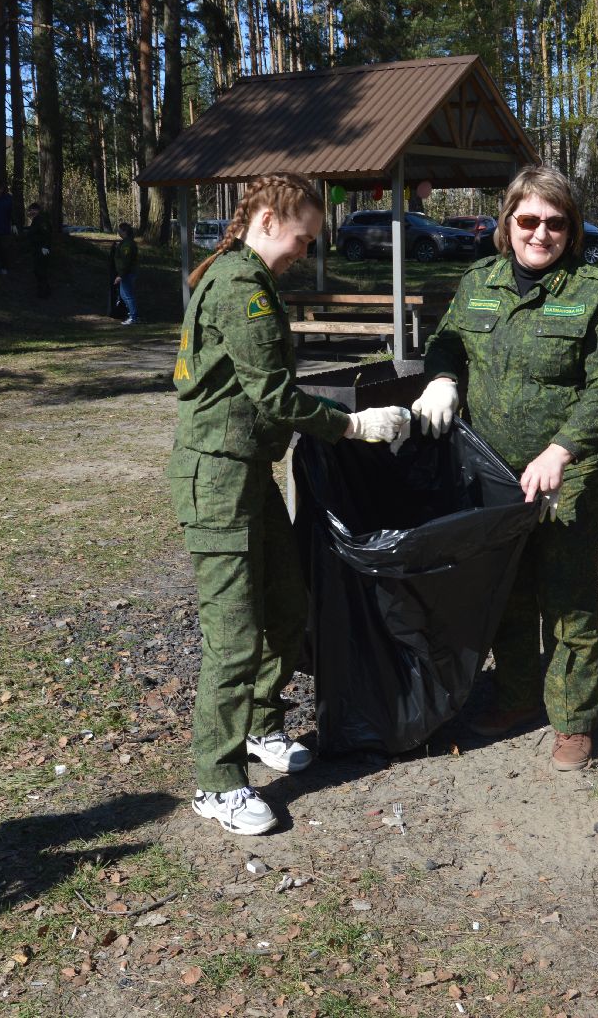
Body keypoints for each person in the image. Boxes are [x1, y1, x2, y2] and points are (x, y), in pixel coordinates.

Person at [169, 171, 411, 835]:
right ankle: (217, 782)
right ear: (270, 219)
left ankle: (259, 725)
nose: (305, 253)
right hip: (218, 478)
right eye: (303, 240)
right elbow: (274, 395)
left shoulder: (246, 279)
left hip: (247, 473)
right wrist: (354, 425)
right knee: (234, 632)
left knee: (286, 603)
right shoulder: (239, 285)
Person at [412, 165, 598, 772]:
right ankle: (514, 697)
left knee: (565, 598)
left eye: (555, 223)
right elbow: (448, 340)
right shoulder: (478, 281)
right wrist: (442, 377)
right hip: (492, 473)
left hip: (567, 473)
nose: (541, 234)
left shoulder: (594, 293)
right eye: (528, 220)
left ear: (572, 229)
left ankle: (573, 720)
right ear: (506, 222)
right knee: (505, 591)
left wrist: (562, 450)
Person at [112, 222, 140, 324]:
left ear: (124, 231)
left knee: (127, 295)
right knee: (124, 295)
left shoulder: (127, 244)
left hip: (127, 273)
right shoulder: (125, 243)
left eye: (119, 230)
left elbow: (126, 261)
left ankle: (133, 317)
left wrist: (120, 275)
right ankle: (132, 315)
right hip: (126, 273)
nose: (118, 232)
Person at [25, 202, 53, 300]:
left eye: (32, 210)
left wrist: (45, 246)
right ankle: (45, 291)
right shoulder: (37, 220)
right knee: (39, 271)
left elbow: (46, 234)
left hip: (41, 249)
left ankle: (43, 292)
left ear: (36, 210)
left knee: (40, 271)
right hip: (38, 249)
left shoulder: (41, 220)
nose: (30, 212)